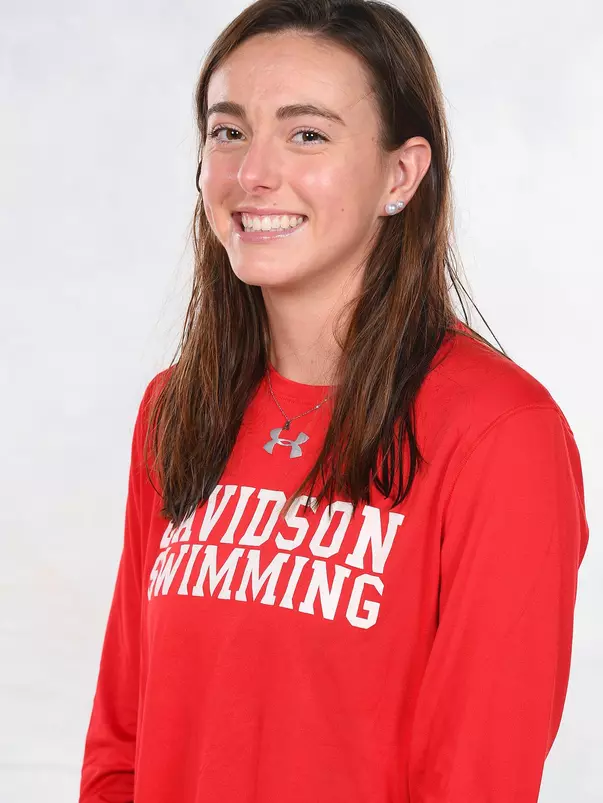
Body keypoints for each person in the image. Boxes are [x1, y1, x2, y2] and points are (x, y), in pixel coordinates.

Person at [78, 1, 589, 801]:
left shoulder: (499, 433)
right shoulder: (177, 407)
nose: (253, 172)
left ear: (400, 174)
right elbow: (122, 742)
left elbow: (476, 778)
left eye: (306, 133)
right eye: (228, 130)